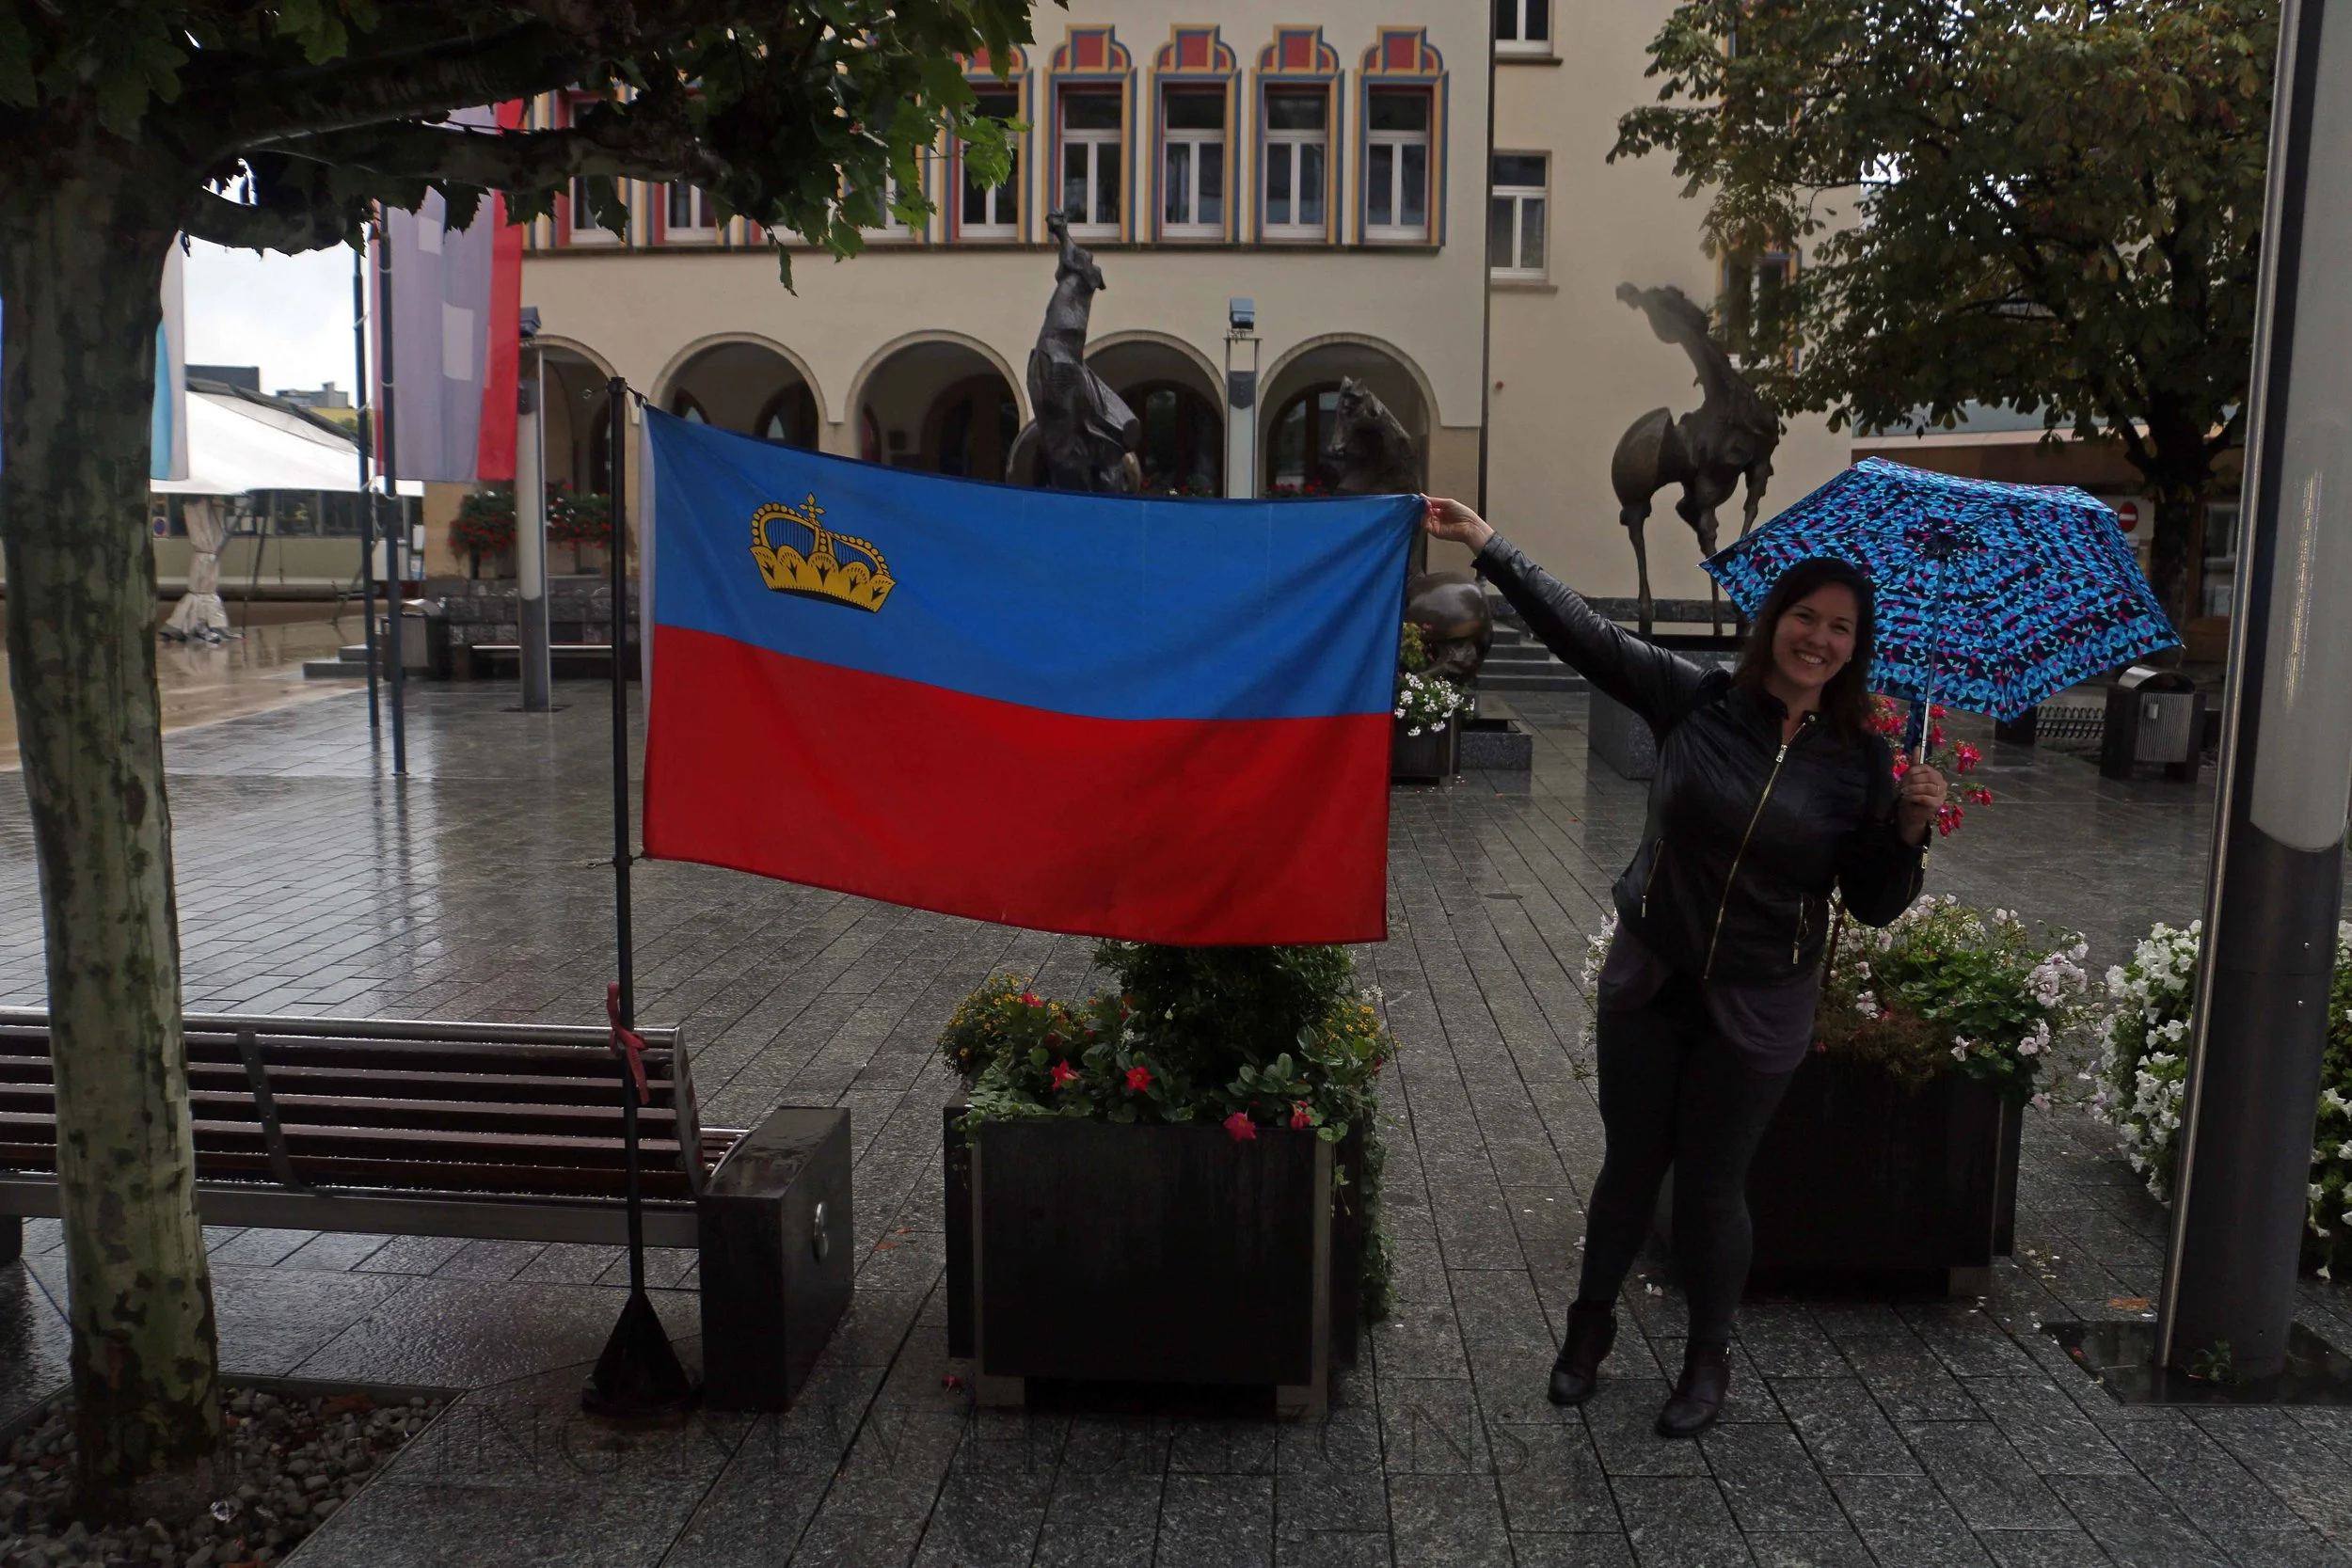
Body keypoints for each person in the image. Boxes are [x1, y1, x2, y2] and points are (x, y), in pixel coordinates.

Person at [1422, 497, 1947, 1438]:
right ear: (1772, 618)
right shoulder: (1697, 699)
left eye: (1840, 626)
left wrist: (1906, 830)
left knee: (1712, 1184)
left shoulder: (1864, 763)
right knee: (1630, 1164)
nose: (1816, 638)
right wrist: (1488, 544)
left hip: (1759, 1000)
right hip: (1655, 976)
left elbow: (1870, 899)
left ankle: (1707, 1356)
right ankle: (1588, 1331)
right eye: (1804, 615)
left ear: (1855, 646)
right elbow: (1583, 635)